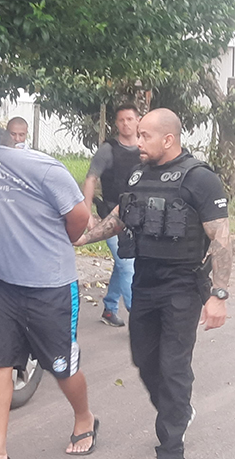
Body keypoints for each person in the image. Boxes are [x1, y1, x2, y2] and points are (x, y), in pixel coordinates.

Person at [75, 108, 231, 459]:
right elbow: (120, 216)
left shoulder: (200, 179)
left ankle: (171, 447)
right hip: (145, 280)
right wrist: (83, 239)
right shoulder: (138, 174)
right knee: (145, 360)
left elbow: (221, 239)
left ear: (168, 139)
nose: (138, 141)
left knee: (173, 366)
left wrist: (218, 294)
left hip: (183, 285)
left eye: (145, 136)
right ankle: (179, 410)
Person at [0, 125, 98, 458]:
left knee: (61, 365)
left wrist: (52, 241)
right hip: (0, 282)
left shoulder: (45, 169)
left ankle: (84, 417)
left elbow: (79, 216)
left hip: (50, 285)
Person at [82, 103, 141, 327]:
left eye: (129, 119)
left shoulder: (144, 147)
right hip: (111, 217)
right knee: (127, 265)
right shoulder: (108, 150)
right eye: (121, 120)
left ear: (138, 121)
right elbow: (90, 179)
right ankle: (138, 318)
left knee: (122, 263)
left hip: (138, 218)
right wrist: (87, 213)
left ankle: (109, 308)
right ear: (116, 123)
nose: (125, 124)